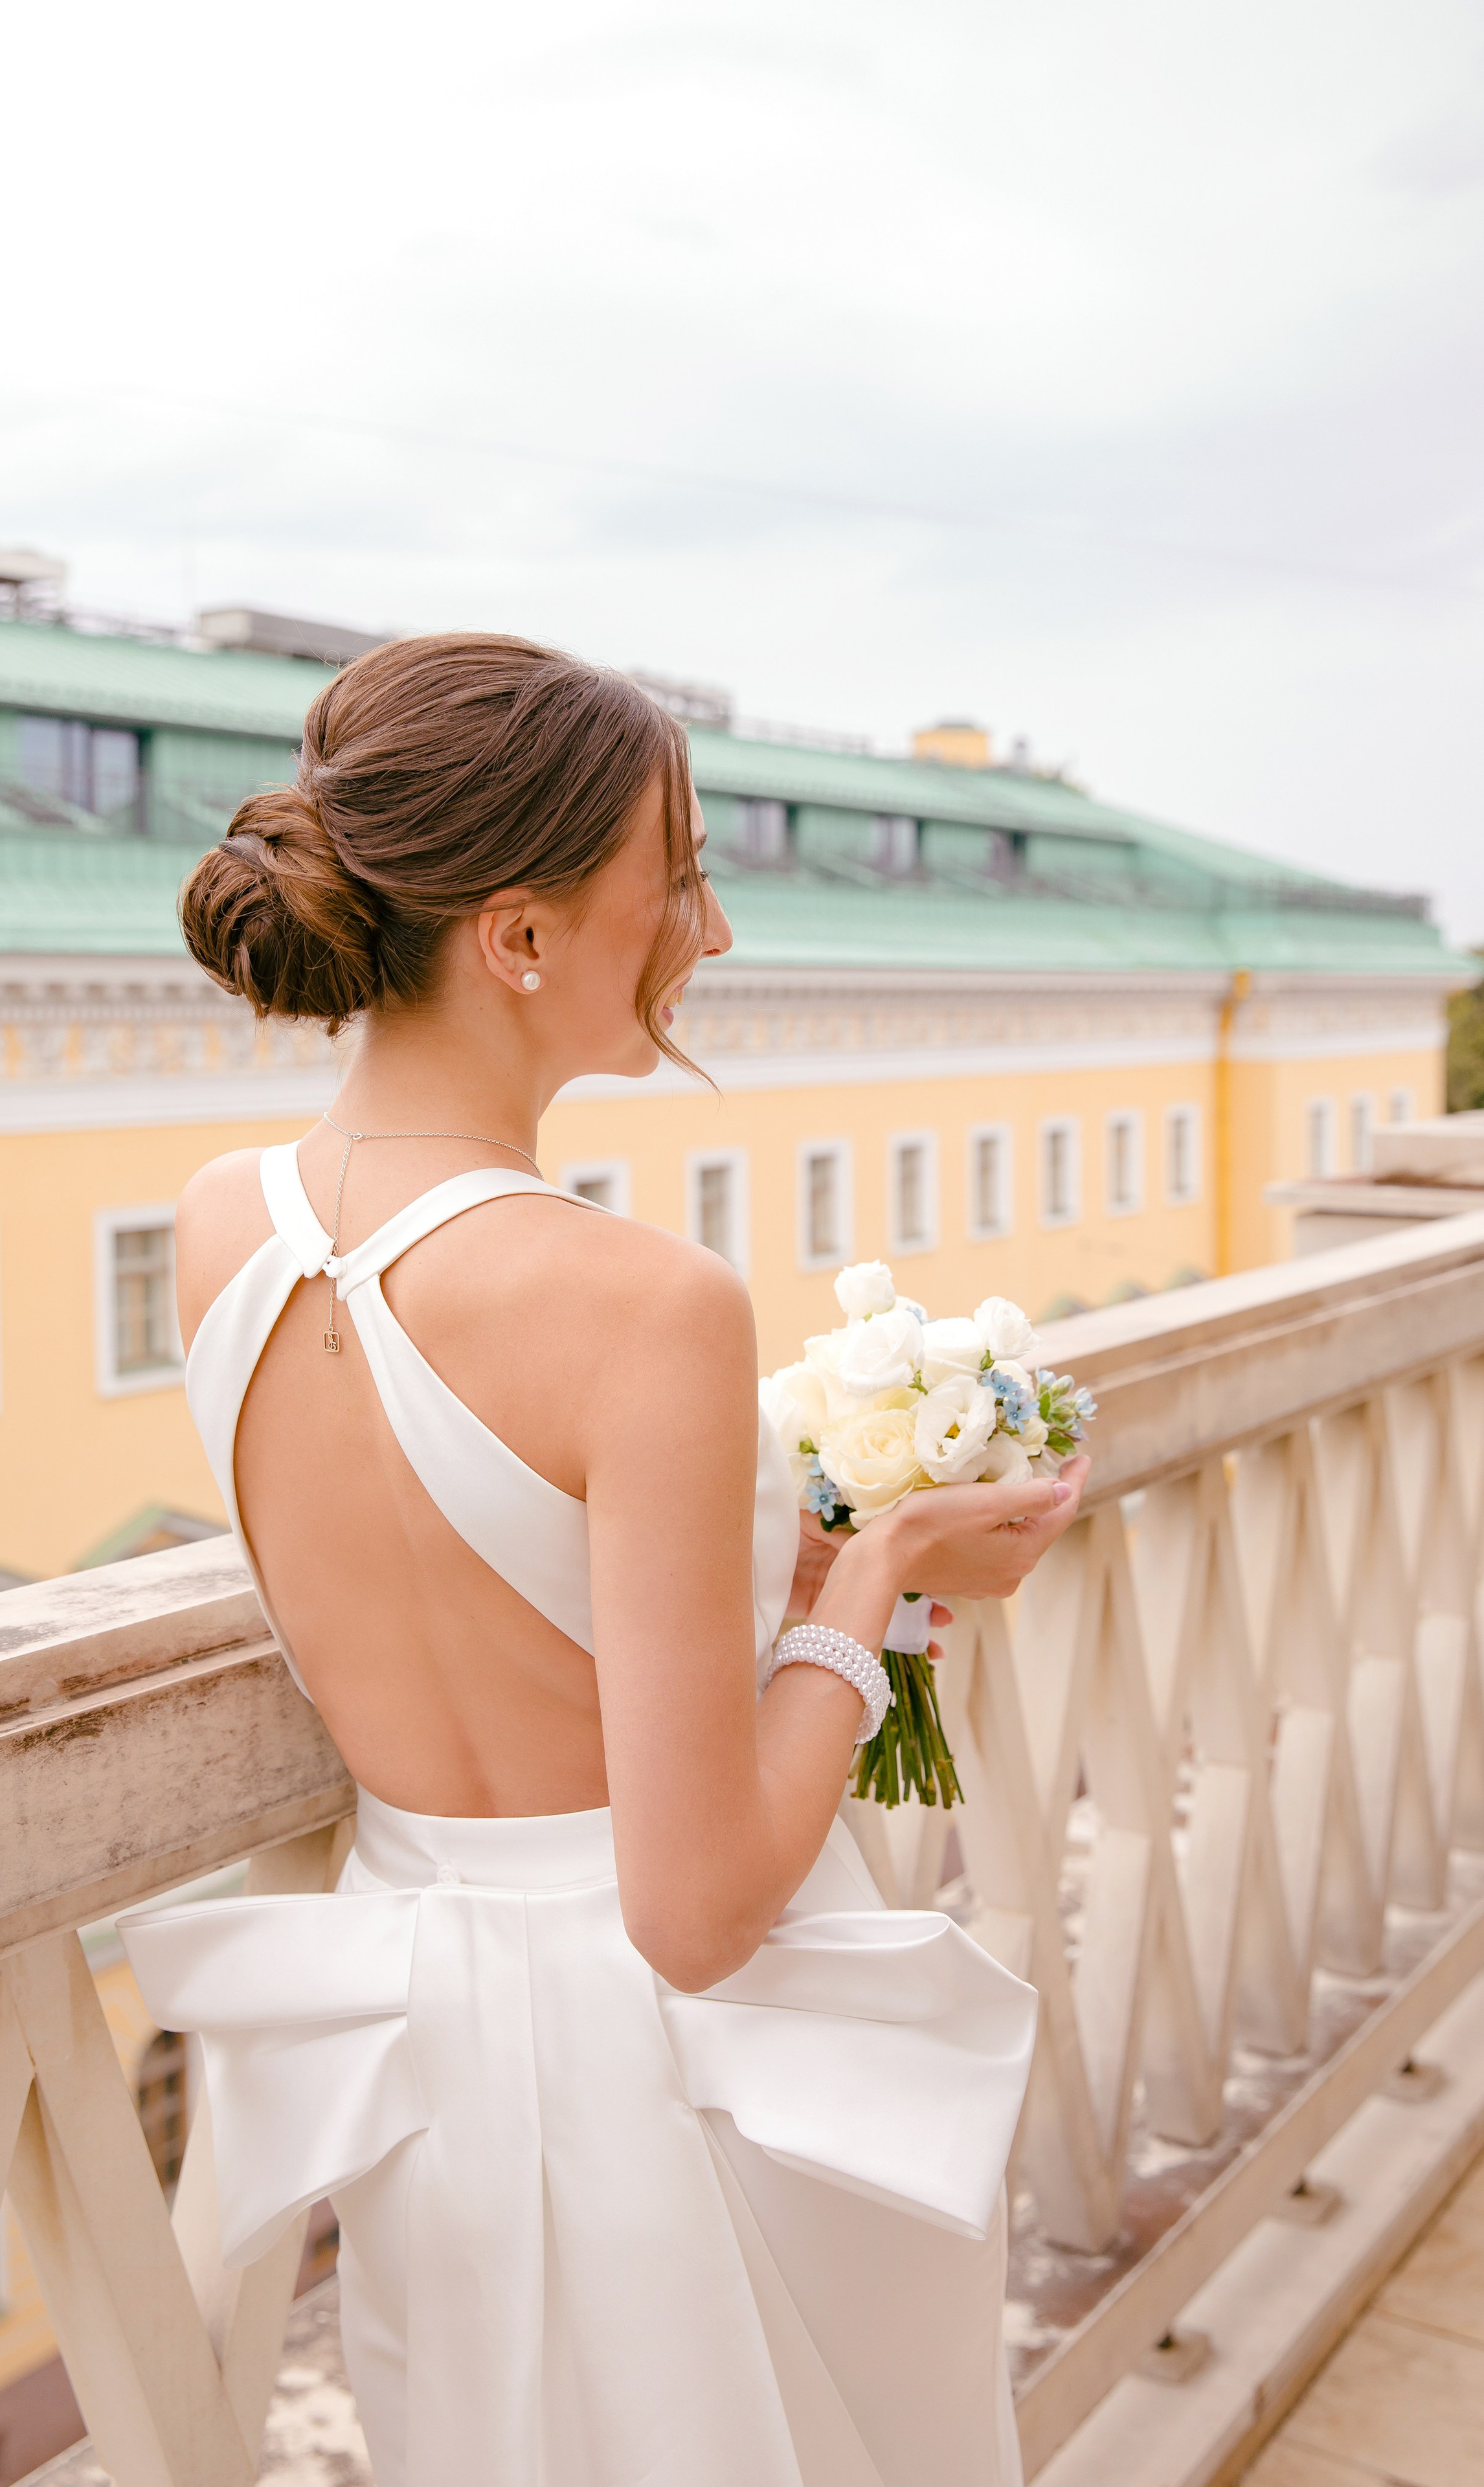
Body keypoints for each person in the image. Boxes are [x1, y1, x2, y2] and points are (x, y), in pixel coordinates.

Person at [122, 634, 1089, 2486]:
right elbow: (695, 1905)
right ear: (521, 935)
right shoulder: (644, 1302)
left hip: (433, 2084)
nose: (709, 934)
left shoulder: (214, 1225)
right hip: (671, 2087)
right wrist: (873, 1576)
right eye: (682, 877)